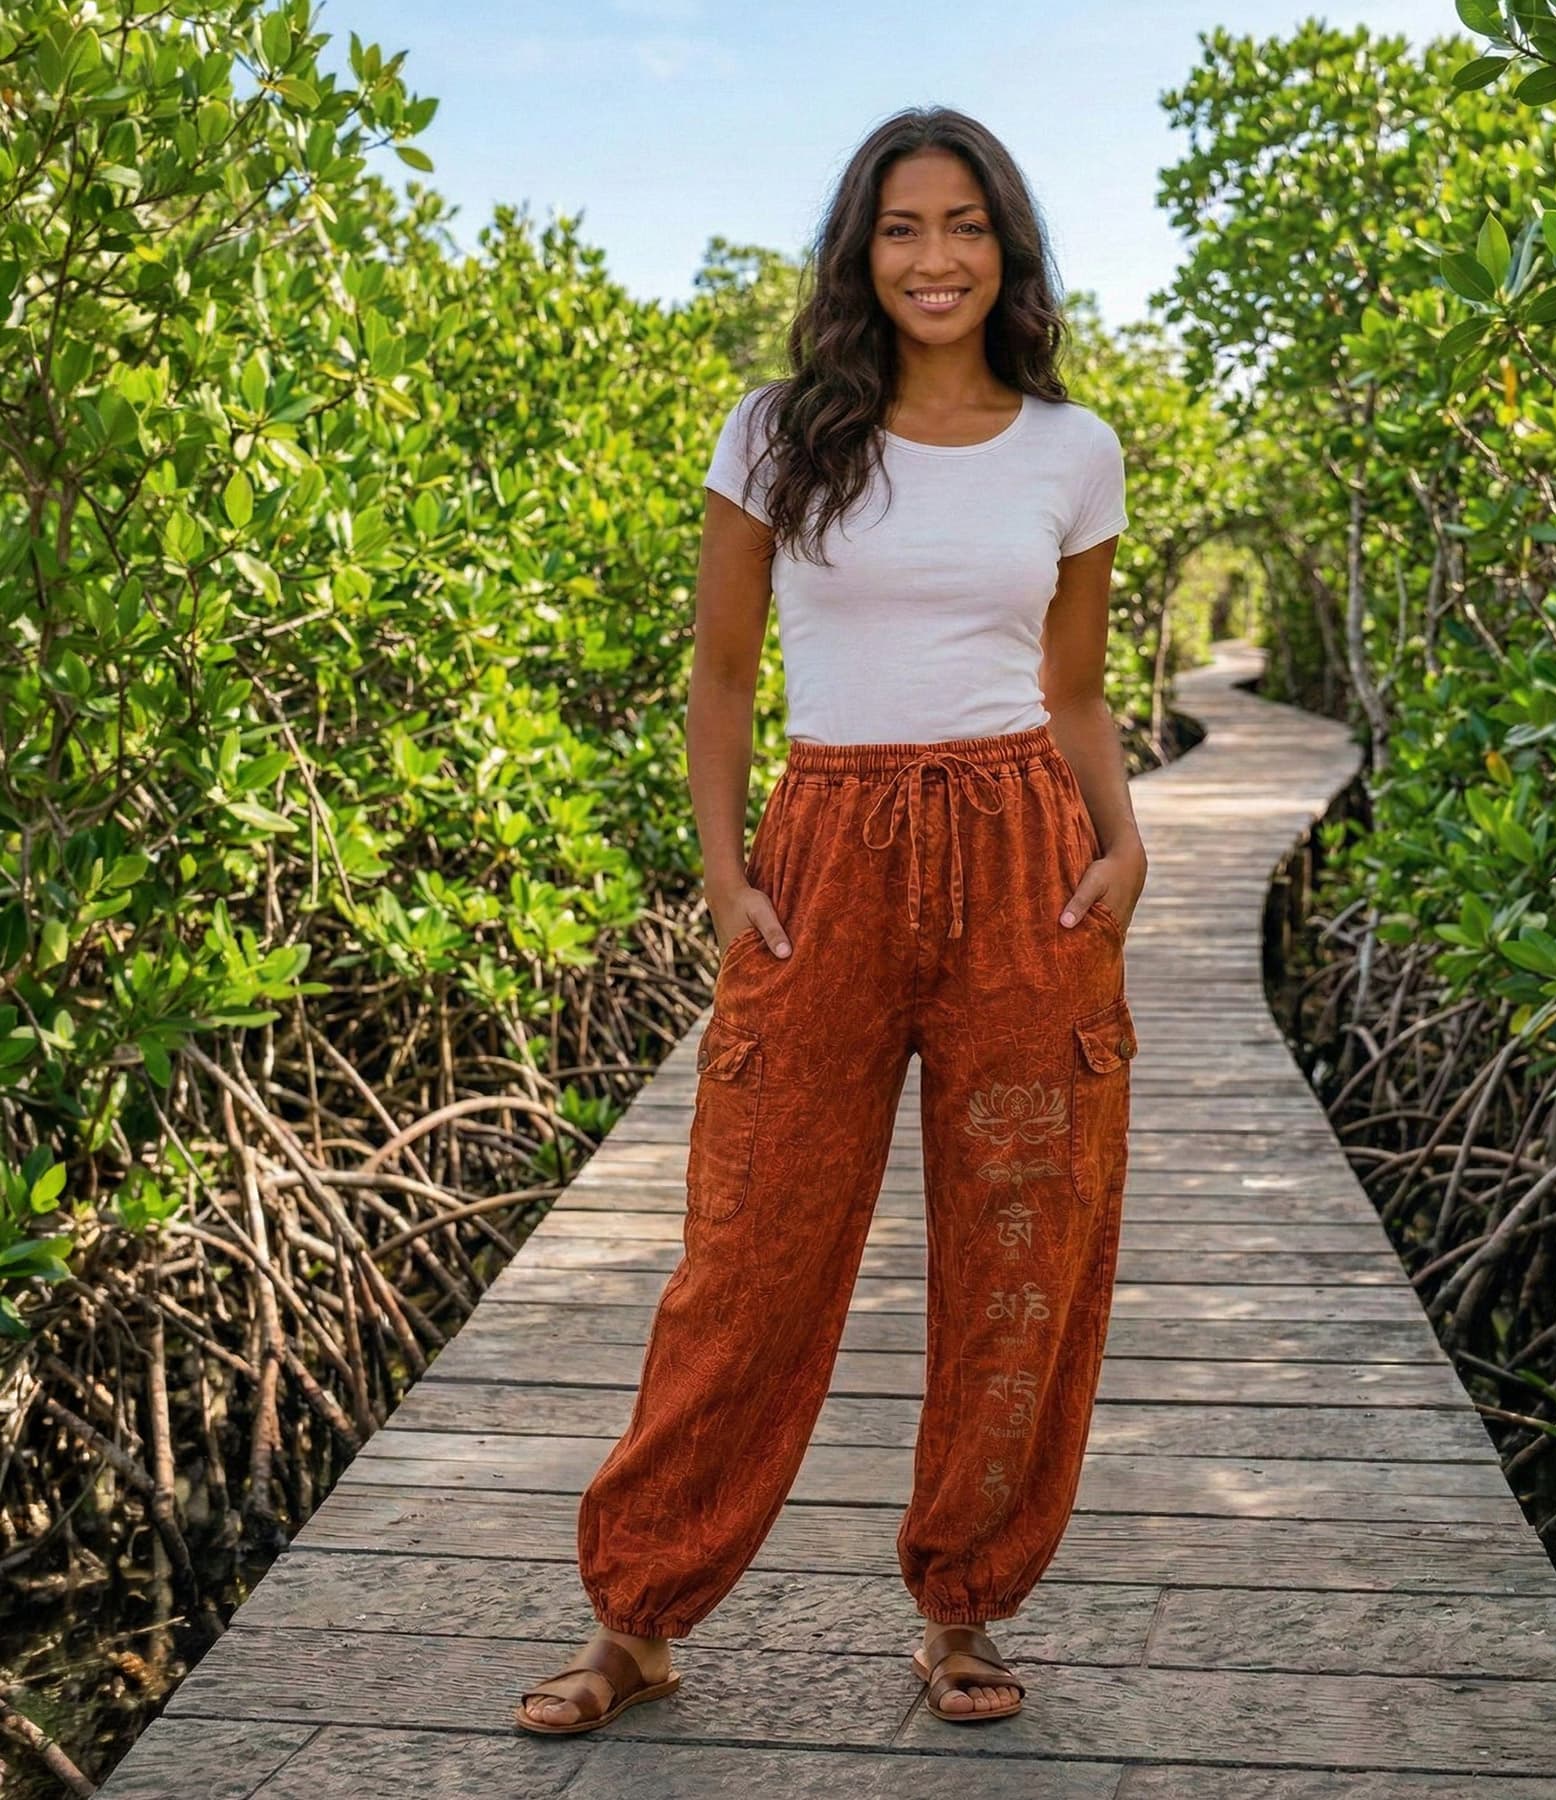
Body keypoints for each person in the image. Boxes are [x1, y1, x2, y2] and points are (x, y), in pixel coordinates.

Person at [516, 102, 1144, 1737]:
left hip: (1024, 848)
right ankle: (639, 1615)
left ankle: (965, 1606)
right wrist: (727, 872)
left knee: (1026, 1244)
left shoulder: (1072, 449)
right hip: (829, 846)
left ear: (1007, 248)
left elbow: (1072, 691)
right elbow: (721, 676)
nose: (935, 259)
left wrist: (1125, 845)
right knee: (750, 1244)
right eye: (901, 229)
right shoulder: (780, 430)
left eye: (964, 227)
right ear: (861, 254)